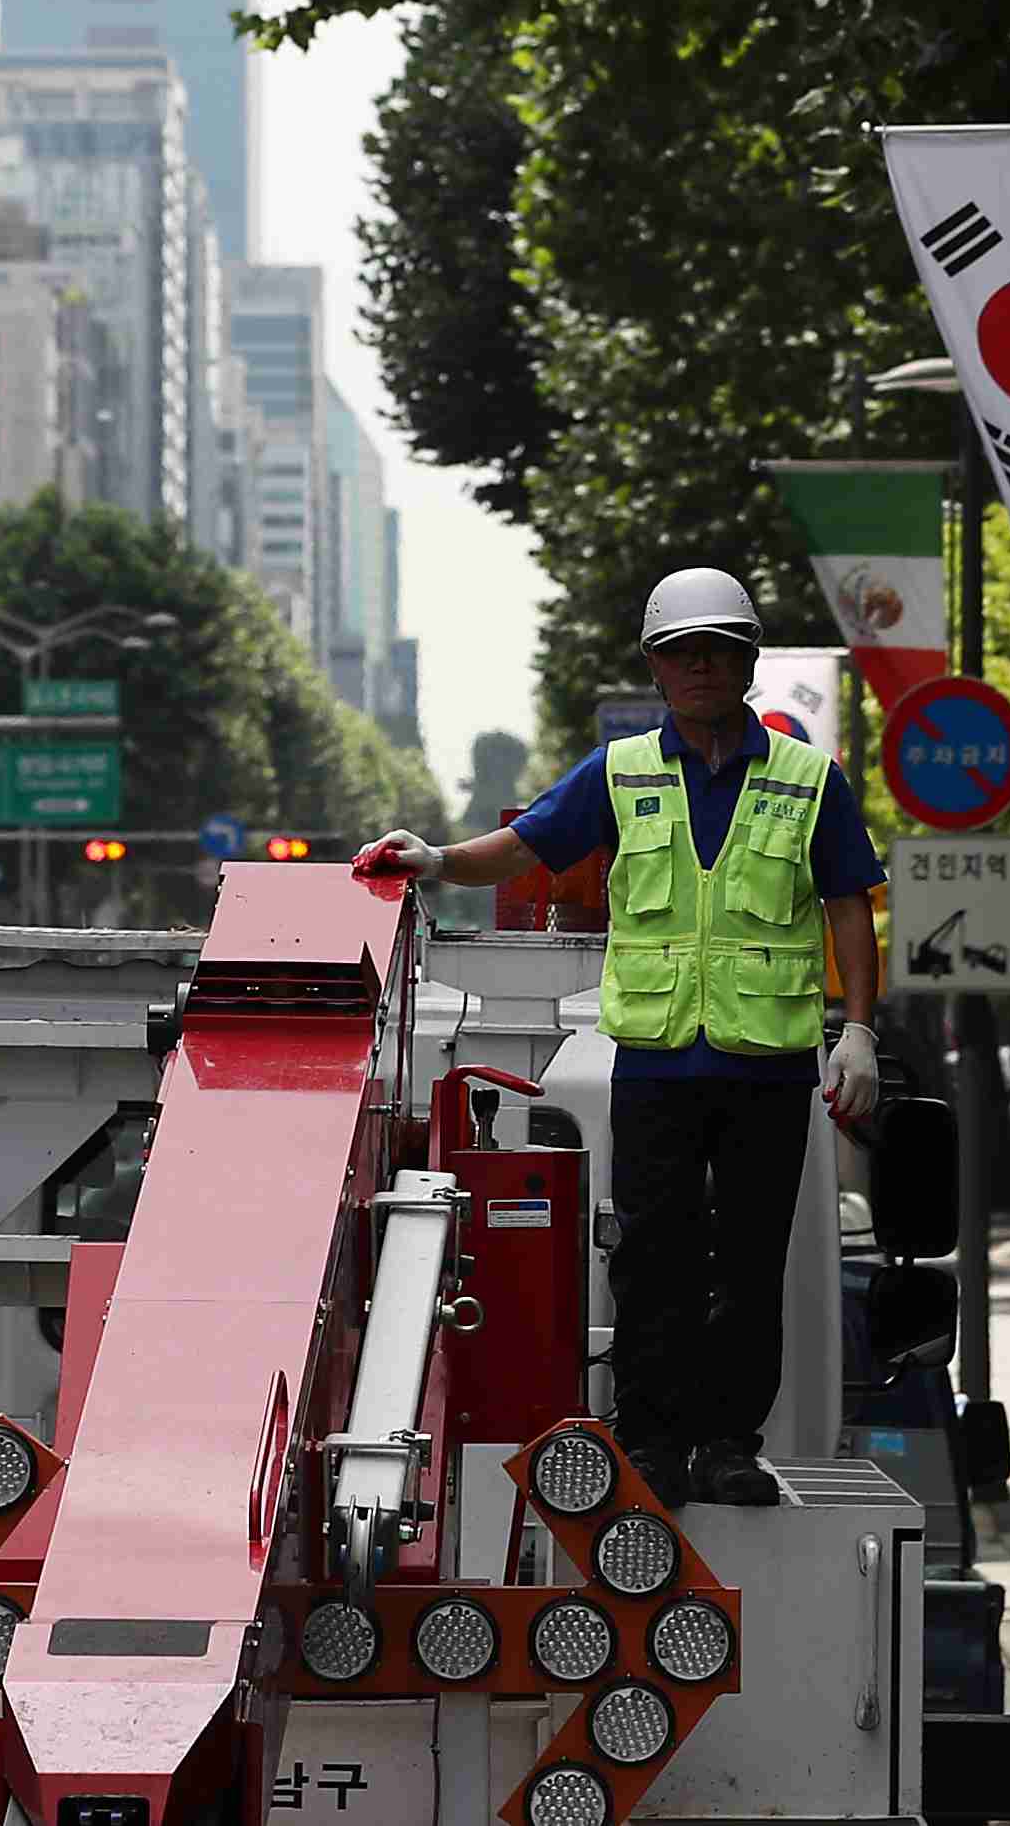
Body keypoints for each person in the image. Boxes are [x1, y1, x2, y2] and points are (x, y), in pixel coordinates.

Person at [355, 564, 882, 1509]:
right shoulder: (623, 770)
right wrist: (435, 857)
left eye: (720, 652)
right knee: (652, 1255)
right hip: (656, 1062)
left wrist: (861, 1035)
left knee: (753, 1264)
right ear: (657, 670)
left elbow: (848, 906)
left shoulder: (809, 781)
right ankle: (648, 1440)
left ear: (749, 664)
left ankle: (726, 1447)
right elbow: (526, 847)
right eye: (683, 655)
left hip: (766, 1064)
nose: (703, 669)